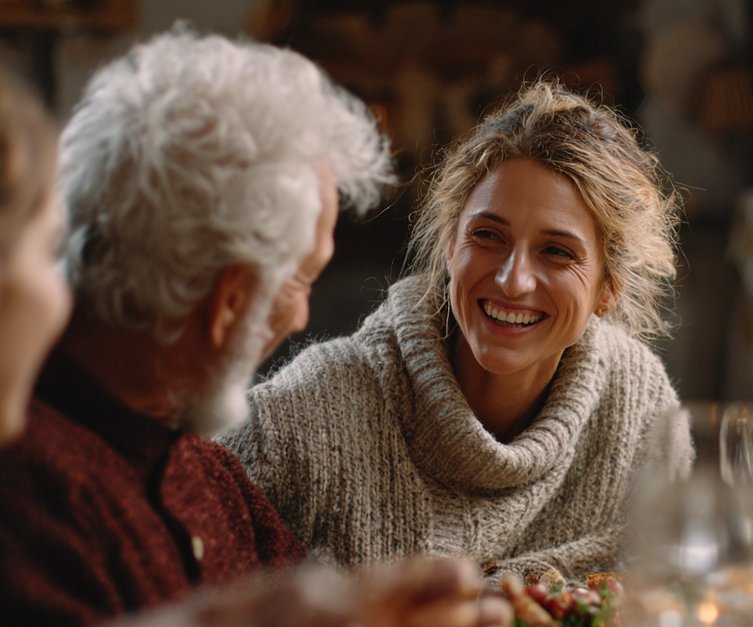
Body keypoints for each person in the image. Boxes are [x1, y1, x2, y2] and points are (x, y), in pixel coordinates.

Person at [0, 33, 509, 627]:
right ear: (230, 302)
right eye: (303, 278)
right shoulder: (3, 480)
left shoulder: (205, 472)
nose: (305, 311)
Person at [222, 80, 681, 584]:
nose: (512, 280)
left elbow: (676, 593)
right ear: (449, 247)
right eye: (488, 236)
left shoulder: (642, 412)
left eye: (557, 252)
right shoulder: (309, 411)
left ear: (607, 288)